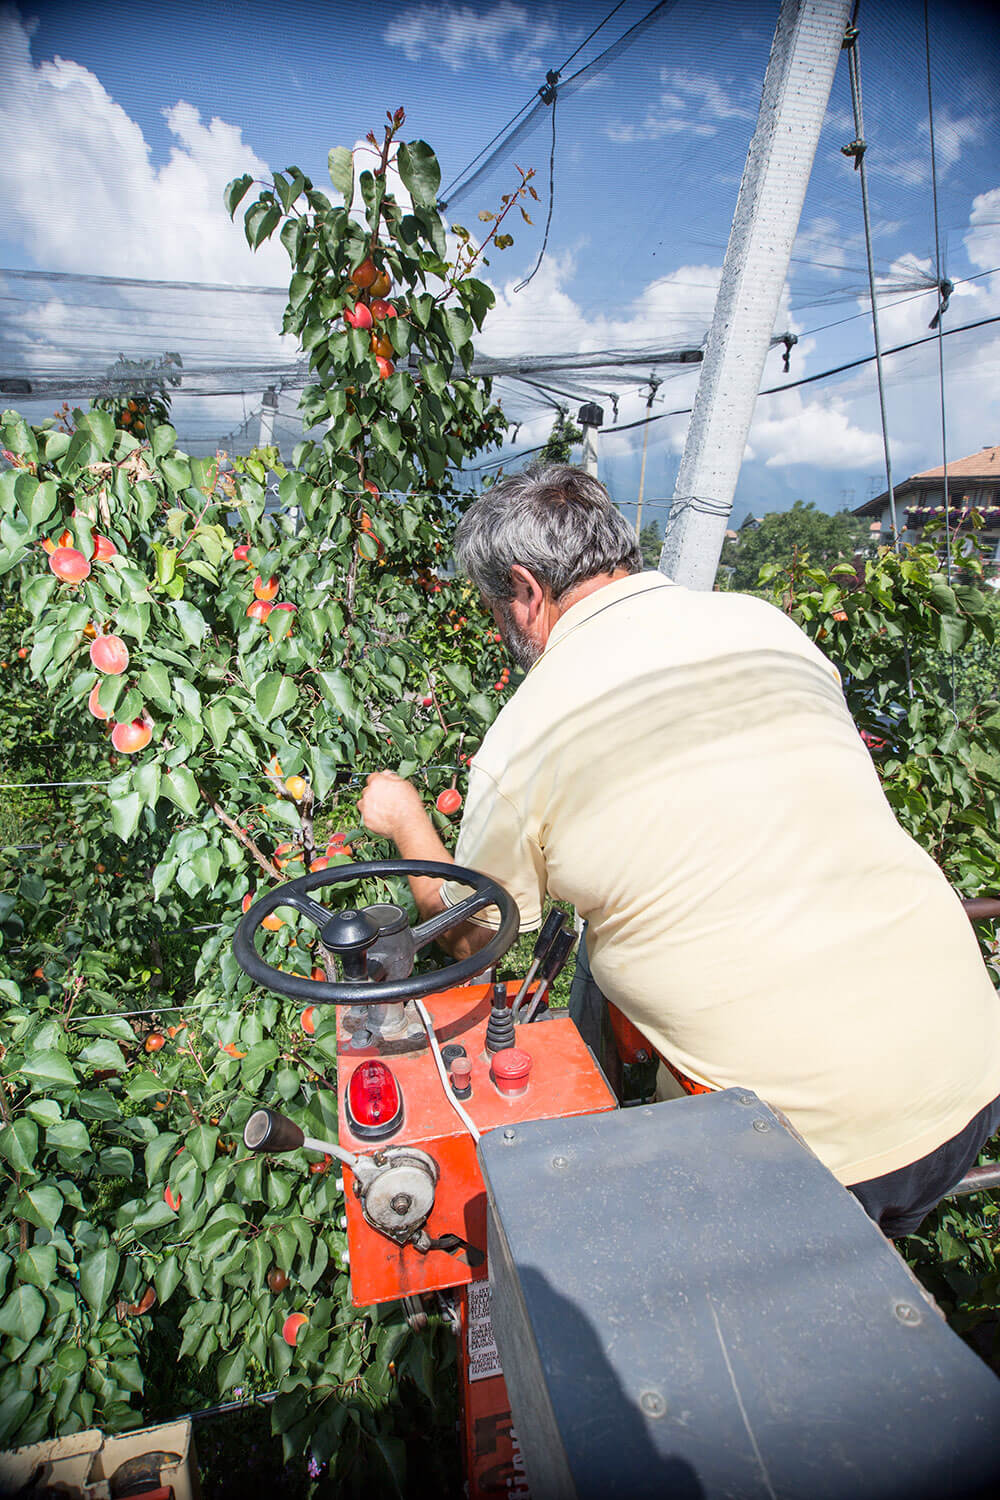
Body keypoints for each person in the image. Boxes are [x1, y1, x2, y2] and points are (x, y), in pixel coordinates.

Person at [358, 465, 1000, 1238]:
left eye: (496, 607)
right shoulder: (764, 625)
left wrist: (407, 821)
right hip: (970, 1073)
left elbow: (473, 937)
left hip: (809, 1152)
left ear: (525, 589)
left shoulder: (524, 735)